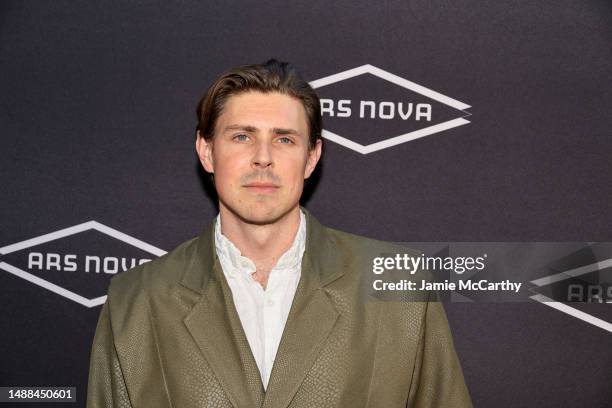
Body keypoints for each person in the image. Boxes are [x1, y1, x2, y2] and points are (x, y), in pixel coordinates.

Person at [86, 59, 472, 408]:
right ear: (206, 152)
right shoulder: (136, 299)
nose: (263, 156)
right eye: (242, 136)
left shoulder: (400, 285)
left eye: (284, 139)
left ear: (312, 157)